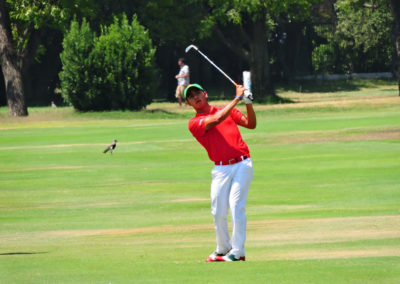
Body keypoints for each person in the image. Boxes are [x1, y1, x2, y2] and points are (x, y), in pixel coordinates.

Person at [184, 83, 256, 262]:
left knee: (236, 206)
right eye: (191, 96)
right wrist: (237, 98)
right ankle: (223, 248)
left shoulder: (227, 110)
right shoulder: (194, 123)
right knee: (217, 211)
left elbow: (251, 124)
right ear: (188, 104)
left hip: (242, 164)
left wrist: (248, 103)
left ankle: (238, 251)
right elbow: (216, 119)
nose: (196, 97)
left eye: (198, 93)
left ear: (205, 93)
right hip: (220, 168)